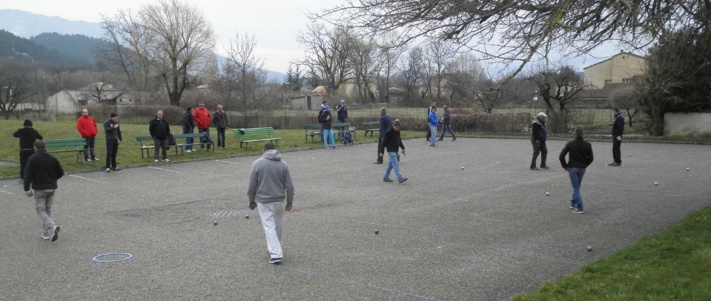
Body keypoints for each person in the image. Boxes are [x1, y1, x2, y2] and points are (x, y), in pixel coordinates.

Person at [247, 142, 294, 265]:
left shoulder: (257, 163)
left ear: (264, 151)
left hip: (263, 201)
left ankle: (275, 253)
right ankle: (274, 249)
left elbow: (252, 185)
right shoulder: (283, 164)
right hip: (279, 200)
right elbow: (290, 186)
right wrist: (289, 202)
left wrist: (251, 200)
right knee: (277, 226)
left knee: (269, 227)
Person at [23, 140, 64, 242]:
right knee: (48, 209)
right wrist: (53, 179)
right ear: (45, 147)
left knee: (40, 210)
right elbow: (61, 172)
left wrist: (26, 188)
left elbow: (27, 175)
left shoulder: (32, 158)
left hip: (39, 188)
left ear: (35, 148)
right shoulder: (52, 158)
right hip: (51, 187)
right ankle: (46, 233)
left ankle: (52, 226)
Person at [559, 126, 594, 214]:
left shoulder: (570, 144)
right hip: (582, 168)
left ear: (574, 134)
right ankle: (573, 202)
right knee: (577, 187)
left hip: (572, 168)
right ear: (583, 134)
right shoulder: (587, 144)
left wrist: (565, 166)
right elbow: (591, 158)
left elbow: (561, 156)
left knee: (576, 188)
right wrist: (585, 164)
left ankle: (580, 207)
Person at [379, 119, 407, 183]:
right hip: (390, 150)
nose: (398, 128)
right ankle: (400, 178)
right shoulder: (388, 132)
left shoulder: (398, 131)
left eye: (399, 127)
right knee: (395, 163)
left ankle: (385, 177)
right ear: (393, 126)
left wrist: (403, 148)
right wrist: (381, 152)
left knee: (391, 164)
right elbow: (383, 143)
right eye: (397, 127)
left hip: (395, 150)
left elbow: (399, 140)